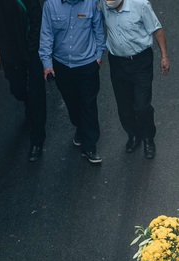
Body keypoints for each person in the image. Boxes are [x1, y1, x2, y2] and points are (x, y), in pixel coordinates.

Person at [39, 0, 106, 164]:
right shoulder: (51, 5)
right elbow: (46, 34)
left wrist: (98, 56)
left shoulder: (92, 3)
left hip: (87, 64)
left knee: (89, 104)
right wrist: (47, 64)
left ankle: (90, 146)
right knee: (72, 102)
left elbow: (98, 31)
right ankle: (79, 127)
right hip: (62, 65)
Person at [100, 0, 169, 159]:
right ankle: (133, 134)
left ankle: (148, 138)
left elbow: (157, 30)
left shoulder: (141, 5)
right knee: (123, 106)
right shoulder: (103, 4)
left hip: (140, 62)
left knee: (142, 106)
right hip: (117, 62)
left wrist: (164, 56)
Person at [0, 0, 47, 162]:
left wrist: (32, 48)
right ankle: (28, 104)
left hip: (31, 53)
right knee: (18, 90)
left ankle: (37, 141)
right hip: (10, 55)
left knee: (36, 95)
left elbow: (36, 18)